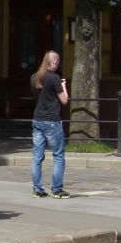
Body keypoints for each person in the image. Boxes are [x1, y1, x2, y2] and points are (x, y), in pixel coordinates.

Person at [30, 50, 70, 199]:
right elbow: (64, 100)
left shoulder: (34, 77)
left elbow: (37, 98)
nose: (57, 64)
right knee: (58, 155)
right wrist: (63, 86)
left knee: (37, 157)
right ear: (54, 62)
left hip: (37, 119)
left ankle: (38, 189)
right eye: (57, 62)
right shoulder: (54, 78)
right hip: (52, 121)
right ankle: (57, 189)